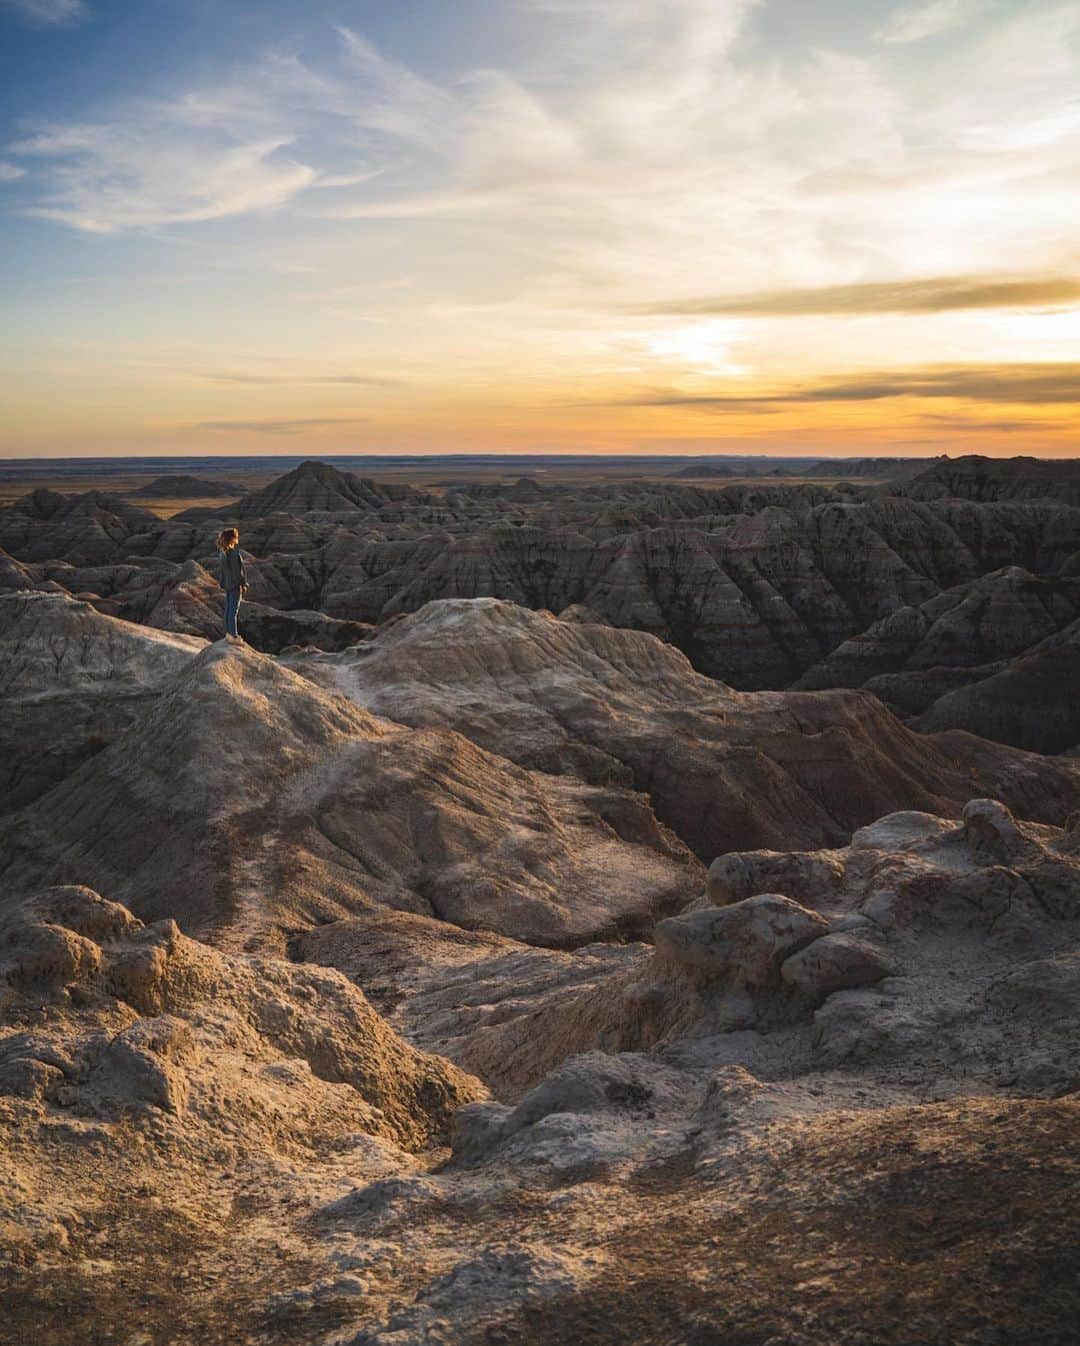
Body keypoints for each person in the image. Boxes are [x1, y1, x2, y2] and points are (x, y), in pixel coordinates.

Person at [215, 527, 248, 640]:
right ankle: (233, 636)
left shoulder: (222, 553)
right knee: (233, 612)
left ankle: (228, 634)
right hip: (235, 585)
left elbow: (222, 572)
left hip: (228, 585)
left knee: (228, 611)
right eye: (236, 536)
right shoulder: (233, 553)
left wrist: (223, 584)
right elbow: (237, 572)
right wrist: (243, 584)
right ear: (232, 538)